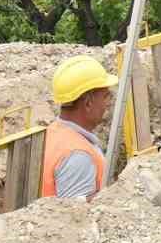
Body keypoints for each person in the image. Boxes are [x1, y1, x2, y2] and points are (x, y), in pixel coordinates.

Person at [41, 55, 118, 200]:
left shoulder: (52, 133)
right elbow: (75, 216)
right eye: (106, 96)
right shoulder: (78, 156)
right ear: (88, 103)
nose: (108, 103)